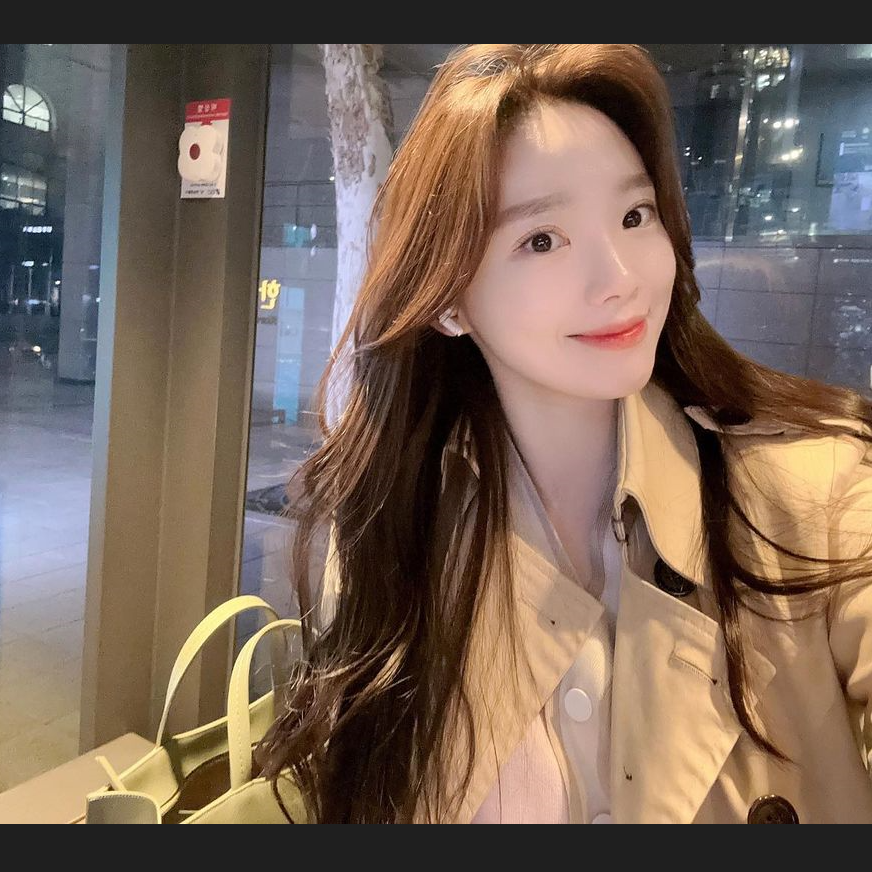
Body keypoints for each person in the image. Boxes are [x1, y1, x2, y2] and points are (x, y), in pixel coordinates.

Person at [255, 44, 872, 824]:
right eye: (542, 239)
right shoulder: (395, 530)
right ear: (447, 300)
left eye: (634, 215)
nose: (619, 277)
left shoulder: (812, 493)